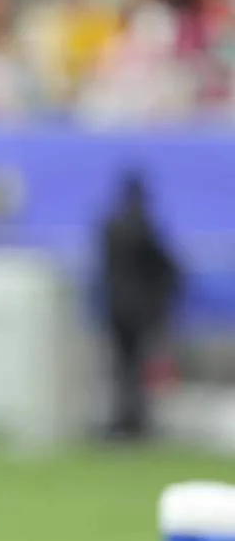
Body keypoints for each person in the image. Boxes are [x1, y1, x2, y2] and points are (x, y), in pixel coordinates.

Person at [97, 171, 181, 440]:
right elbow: (164, 265)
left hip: (115, 306)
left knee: (122, 366)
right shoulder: (143, 227)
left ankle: (122, 418)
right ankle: (135, 420)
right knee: (137, 365)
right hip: (139, 309)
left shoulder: (109, 226)